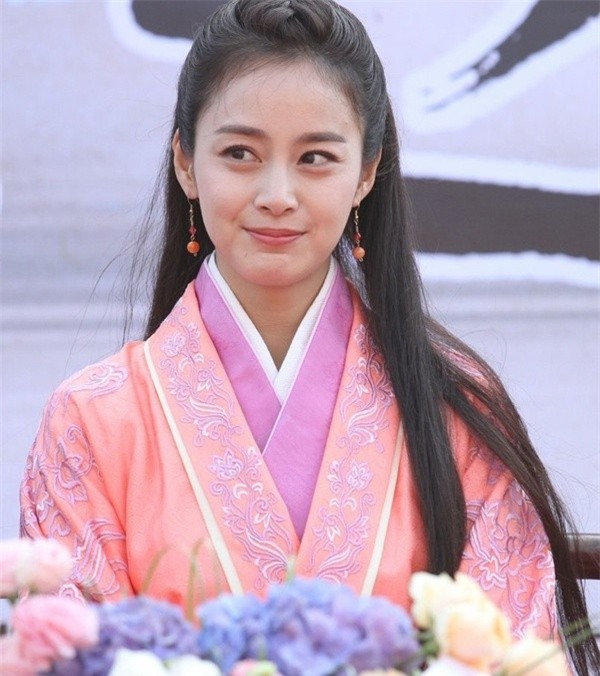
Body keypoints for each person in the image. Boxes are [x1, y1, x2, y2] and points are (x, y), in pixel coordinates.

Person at [20, 0, 597, 672]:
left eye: (316, 158)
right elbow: (67, 655)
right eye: (240, 153)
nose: (277, 194)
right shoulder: (91, 421)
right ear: (185, 162)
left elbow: (515, 649)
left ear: (367, 172)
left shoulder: (455, 406)